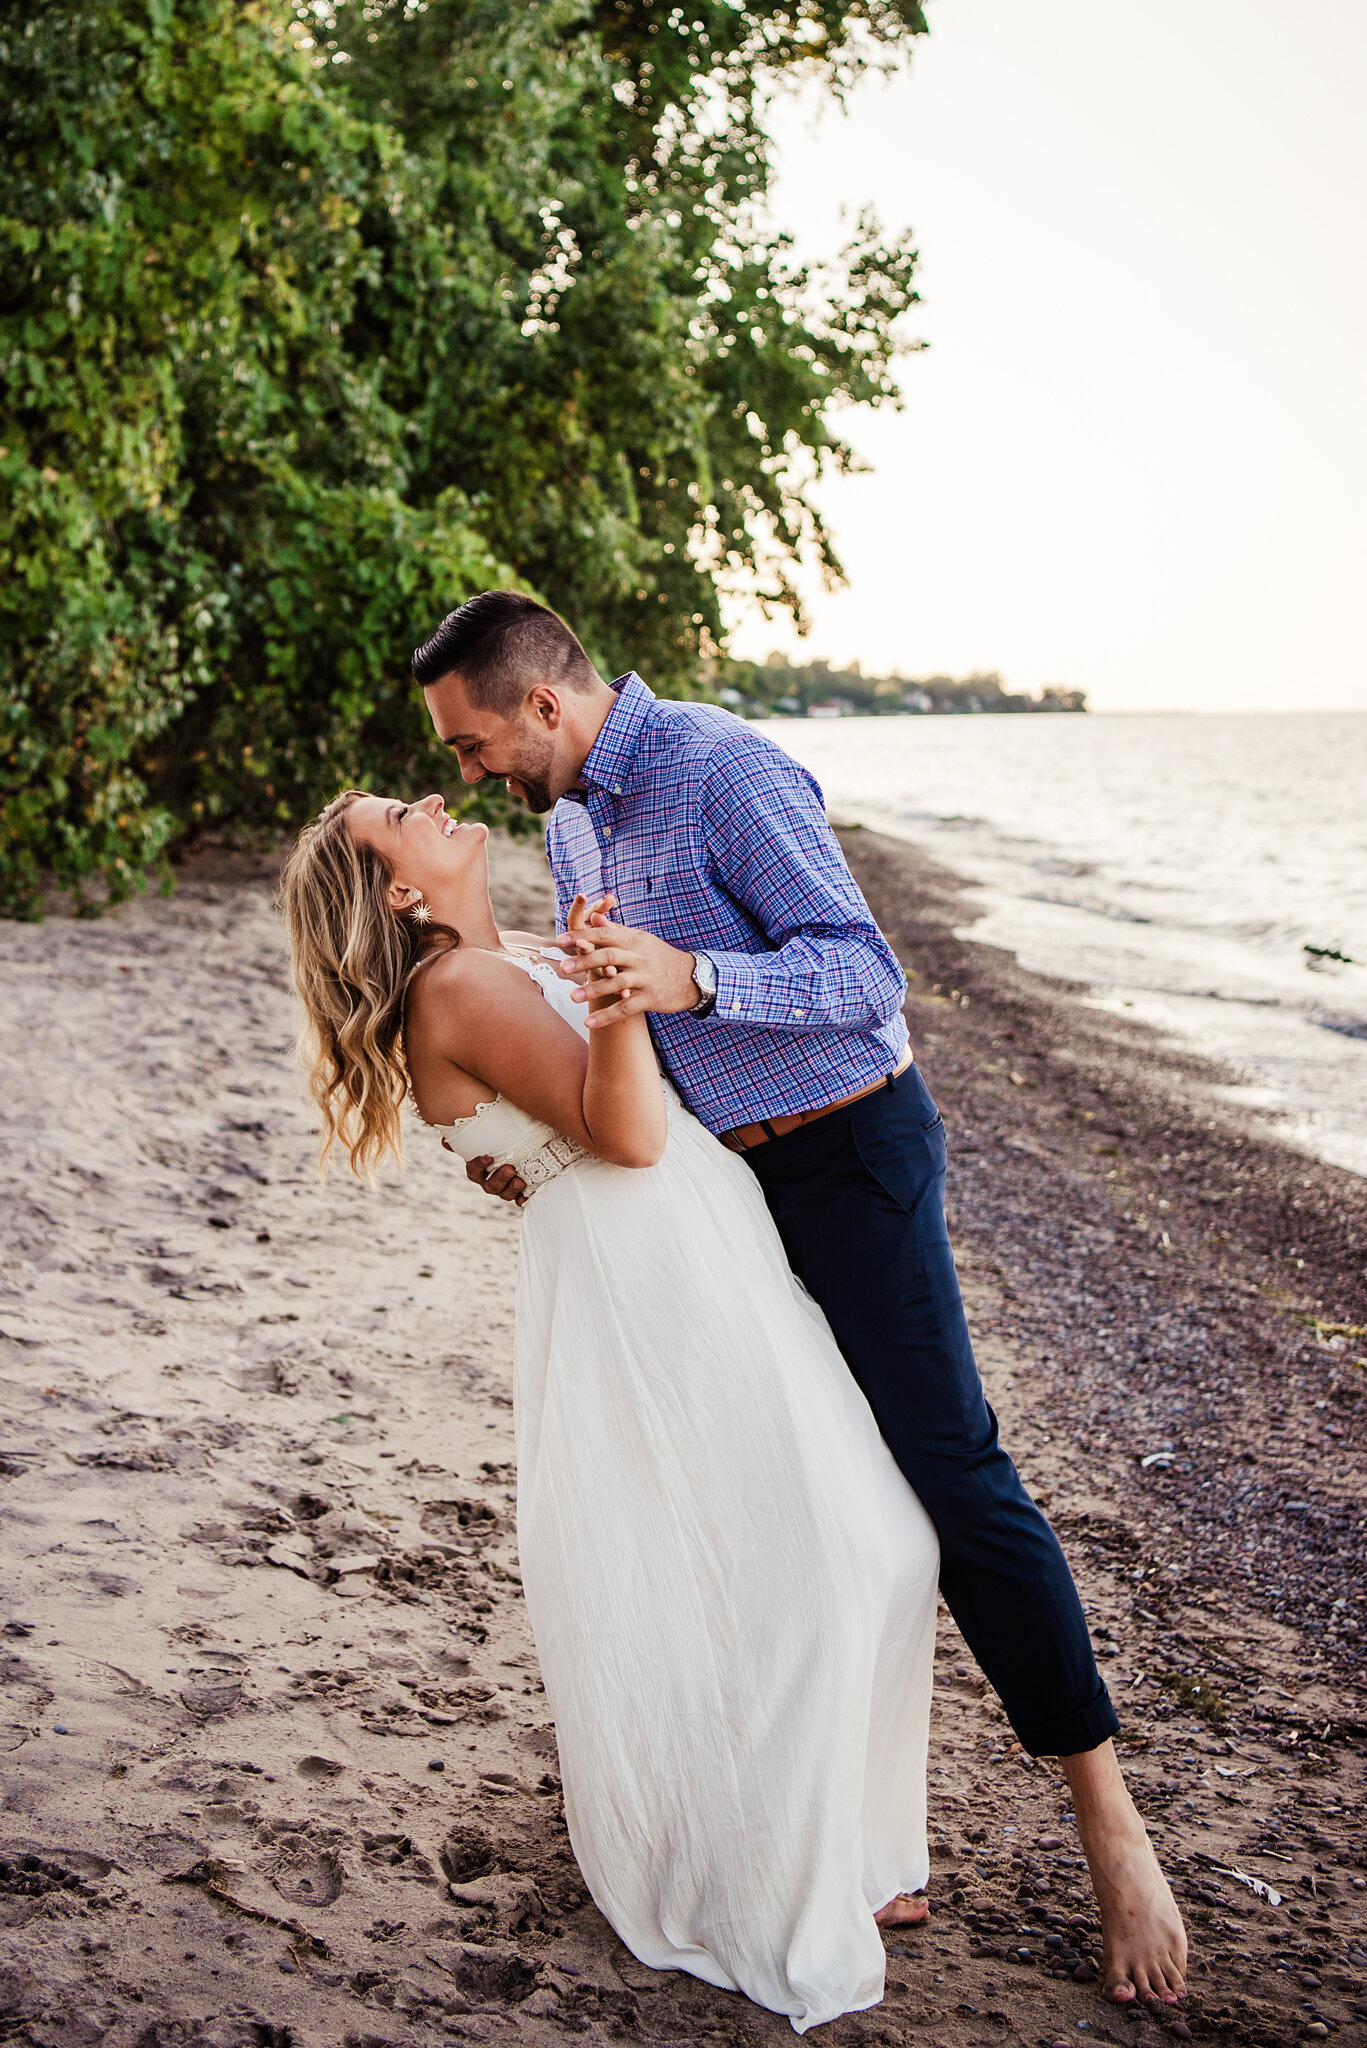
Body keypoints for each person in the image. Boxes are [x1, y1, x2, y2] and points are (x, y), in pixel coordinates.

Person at [412, 588, 1189, 2011]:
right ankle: (833, 1829)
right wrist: (524, 1140)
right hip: (725, 1195)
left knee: (949, 1481)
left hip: (849, 1157)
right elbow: (585, 1016)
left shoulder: (722, 768)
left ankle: (1107, 1824)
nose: (467, 772)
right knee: (801, 1498)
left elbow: (864, 973)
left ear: (540, 704)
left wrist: (694, 975)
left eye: (470, 745)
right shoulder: (571, 816)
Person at [278, 789, 943, 2033]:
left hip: (694, 1248)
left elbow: (608, 1108)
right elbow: (628, 1132)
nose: (430, 796)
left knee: (853, 1540)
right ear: (401, 894)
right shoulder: (457, 990)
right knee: (832, 1549)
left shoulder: (503, 959)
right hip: (652, 1273)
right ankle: (777, 1869)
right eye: (395, 814)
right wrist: (616, 996)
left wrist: (616, 986)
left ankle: (849, 1853)